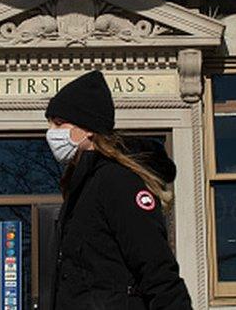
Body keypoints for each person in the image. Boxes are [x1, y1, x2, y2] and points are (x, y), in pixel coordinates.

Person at [43, 70, 193, 310]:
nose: (51, 132)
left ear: (88, 127)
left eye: (59, 123)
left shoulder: (117, 182)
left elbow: (157, 271)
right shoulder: (80, 189)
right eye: (50, 124)